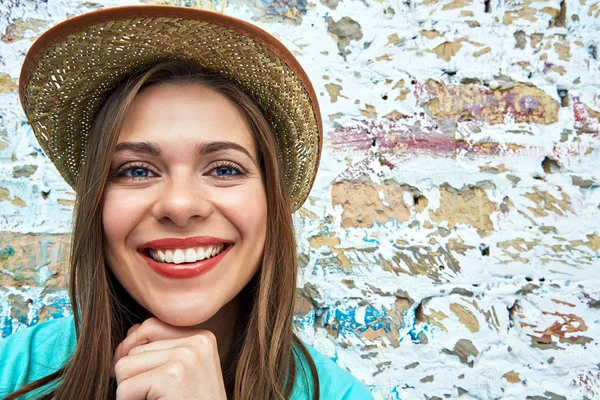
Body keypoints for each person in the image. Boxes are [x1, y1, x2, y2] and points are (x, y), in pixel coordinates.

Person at [0, 5, 373, 400]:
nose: (180, 205)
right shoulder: (13, 372)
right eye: (137, 170)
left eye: (225, 169)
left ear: (269, 201)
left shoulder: (339, 395)